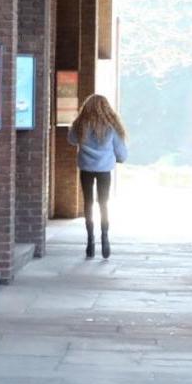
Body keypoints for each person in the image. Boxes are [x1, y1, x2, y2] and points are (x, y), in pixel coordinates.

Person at [69, 93, 128, 259]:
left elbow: (71, 139)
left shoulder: (81, 124)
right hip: (104, 170)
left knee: (88, 203)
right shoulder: (112, 126)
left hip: (86, 168)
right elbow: (121, 153)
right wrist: (119, 158)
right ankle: (105, 236)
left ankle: (90, 241)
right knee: (103, 203)